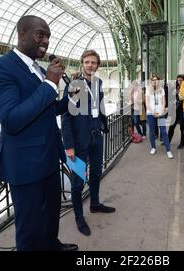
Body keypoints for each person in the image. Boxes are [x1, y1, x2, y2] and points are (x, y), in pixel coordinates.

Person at [0, 15, 78, 251]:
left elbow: (46, 109)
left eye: (47, 35)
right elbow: (12, 120)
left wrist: (68, 96)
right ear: (22, 34)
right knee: (29, 229)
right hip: (25, 165)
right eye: (40, 34)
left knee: (50, 216)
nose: (45, 40)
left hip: (48, 158)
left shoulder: (39, 69)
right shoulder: (0, 68)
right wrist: (49, 84)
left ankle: (52, 245)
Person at [62, 49, 114, 237]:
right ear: (82, 64)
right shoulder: (75, 85)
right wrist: (68, 146)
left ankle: (94, 204)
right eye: (87, 62)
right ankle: (78, 216)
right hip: (78, 141)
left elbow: (98, 106)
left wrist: (101, 124)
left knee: (96, 173)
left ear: (97, 65)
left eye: (93, 62)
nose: (90, 65)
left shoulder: (98, 83)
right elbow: (66, 117)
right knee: (77, 182)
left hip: (96, 136)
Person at [146, 74, 173, 159]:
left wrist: (160, 112)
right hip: (150, 113)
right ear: (151, 81)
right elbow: (147, 103)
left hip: (160, 113)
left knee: (164, 131)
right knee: (152, 131)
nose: (155, 81)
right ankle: (153, 147)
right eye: (153, 80)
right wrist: (153, 112)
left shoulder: (161, 90)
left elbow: (163, 102)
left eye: (156, 80)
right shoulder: (148, 90)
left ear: (158, 81)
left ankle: (168, 150)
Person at [168, 75, 184, 149]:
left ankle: (182, 143)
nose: (180, 81)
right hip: (174, 110)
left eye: (181, 80)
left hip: (183, 110)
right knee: (171, 126)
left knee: (182, 127)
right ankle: (168, 141)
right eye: (178, 80)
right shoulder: (174, 88)